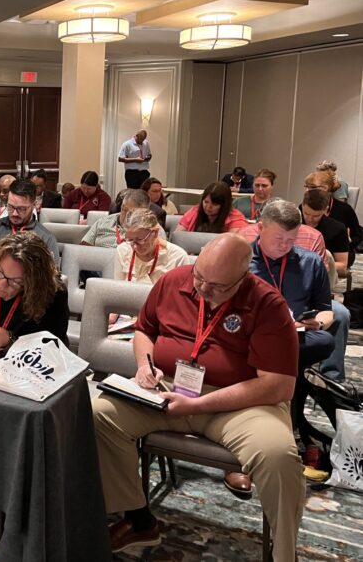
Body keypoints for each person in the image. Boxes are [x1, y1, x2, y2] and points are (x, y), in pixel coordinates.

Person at [91, 234, 303, 559]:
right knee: (98, 414)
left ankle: (285, 554)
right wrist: (145, 365)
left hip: (238, 404)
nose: (203, 288)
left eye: (217, 286)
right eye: (199, 277)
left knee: (278, 456)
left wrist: (199, 403)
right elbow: (144, 329)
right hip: (167, 390)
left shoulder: (268, 304)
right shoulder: (174, 281)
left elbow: (278, 386)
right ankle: (138, 519)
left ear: (243, 276)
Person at [248, 200, 336, 482]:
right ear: (260, 229)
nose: (285, 245)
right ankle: (291, 432)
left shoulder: (310, 262)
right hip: (250, 336)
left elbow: (326, 310)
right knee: (289, 366)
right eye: (278, 239)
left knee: (323, 340)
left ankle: (280, 432)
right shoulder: (241, 260)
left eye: (291, 239)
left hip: (295, 336)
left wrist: (316, 322)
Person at [0, 178, 59, 266]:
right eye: (10, 207)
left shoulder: (46, 239)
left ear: (34, 205)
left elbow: (52, 276)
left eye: (21, 209)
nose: (14, 213)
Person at [113, 208, 189, 284]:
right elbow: (118, 288)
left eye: (140, 240)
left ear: (155, 233)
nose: (135, 246)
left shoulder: (178, 257)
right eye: (130, 240)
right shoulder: (122, 250)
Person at [304, 170, 361, 257]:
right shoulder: (304, 207)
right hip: (310, 252)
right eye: (306, 187)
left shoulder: (344, 209)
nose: (308, 191)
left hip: (339, 253)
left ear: (326, 188)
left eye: (312, 187)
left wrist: (346, 245)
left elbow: (358, 235)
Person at [301, 189, 349, 277]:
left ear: (326, 210)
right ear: (302, 206)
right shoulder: (292, 222)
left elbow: (342, 265)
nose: (310, 219)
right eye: (306, 213)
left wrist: (313, 266)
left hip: (323, 273)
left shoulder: (337, 228)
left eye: (316, 216)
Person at [81, 189, 151, 248]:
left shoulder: (150, 229)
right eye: (124, 210)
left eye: (132, 213)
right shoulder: (102, 222)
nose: (126, 216)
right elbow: (83, 248)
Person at [176, 182, 247, 233]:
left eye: (214, 204)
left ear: (224, 205)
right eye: (206, 202)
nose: (208, 207)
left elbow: (234, 243)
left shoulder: (236, 219)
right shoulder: (194, 211)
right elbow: (178, 236)